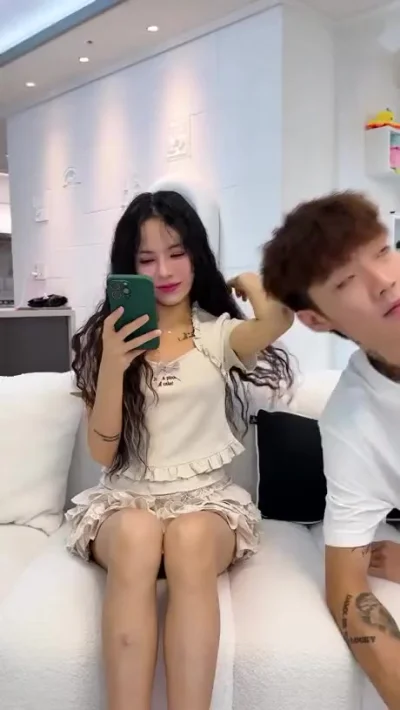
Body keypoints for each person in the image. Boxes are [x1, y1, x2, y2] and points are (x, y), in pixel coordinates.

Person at [68, 189, 293, 710]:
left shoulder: (216, 336)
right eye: (146, 259)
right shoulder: (108, 340)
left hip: (205, 505)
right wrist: (113, 365)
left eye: (177, 252)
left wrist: (253, 283)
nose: (165, 271)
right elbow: (103, 455)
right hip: (126, 503)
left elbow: (277, 322)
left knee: (188, 537)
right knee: (139, 533)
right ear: (128, 269)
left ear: (196, 254)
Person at [261, 190, 400, 708]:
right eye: (345, 280)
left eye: (383, 250)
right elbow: (347, 587)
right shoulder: (352, 422)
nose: (383, 280)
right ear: (317, 319)